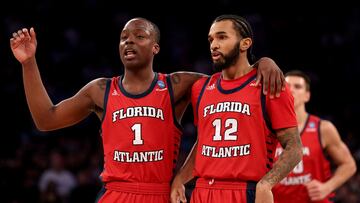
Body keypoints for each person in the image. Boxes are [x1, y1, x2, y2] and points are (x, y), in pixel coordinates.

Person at [10, 17, 285, 203]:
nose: (129, 41)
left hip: (161, 194)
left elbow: (234, 79)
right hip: (116, 193)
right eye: (123, 37)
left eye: (139, 36)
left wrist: (263, 62)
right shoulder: (100, 89)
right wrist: (29, 63)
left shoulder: (178, 84)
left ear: (155, 47)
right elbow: (46, 120)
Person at [170, 14, 303, 203]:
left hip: (245, 191)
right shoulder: (201, 88)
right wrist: (180, 179)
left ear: (245, 43)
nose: (214, 45)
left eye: (222, 37)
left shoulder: (269, 84)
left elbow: (294, 147)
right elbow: (203, 142)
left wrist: (266, 184)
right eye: (211, 39)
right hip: (202, 191)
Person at [271, 70, 357, 203]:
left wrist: (328, 187)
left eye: (297, 86)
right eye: (286, 86)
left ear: (307, 96)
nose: (291, 90)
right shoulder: (266, 128)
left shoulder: (323, 128)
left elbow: (349, 164)